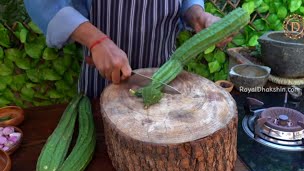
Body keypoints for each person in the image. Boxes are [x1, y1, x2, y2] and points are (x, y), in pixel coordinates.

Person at [24, 0, 232, 98]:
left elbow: (187, 2)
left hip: (162, 80)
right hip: (102, 81)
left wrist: (198, 15)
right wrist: (96, 40)